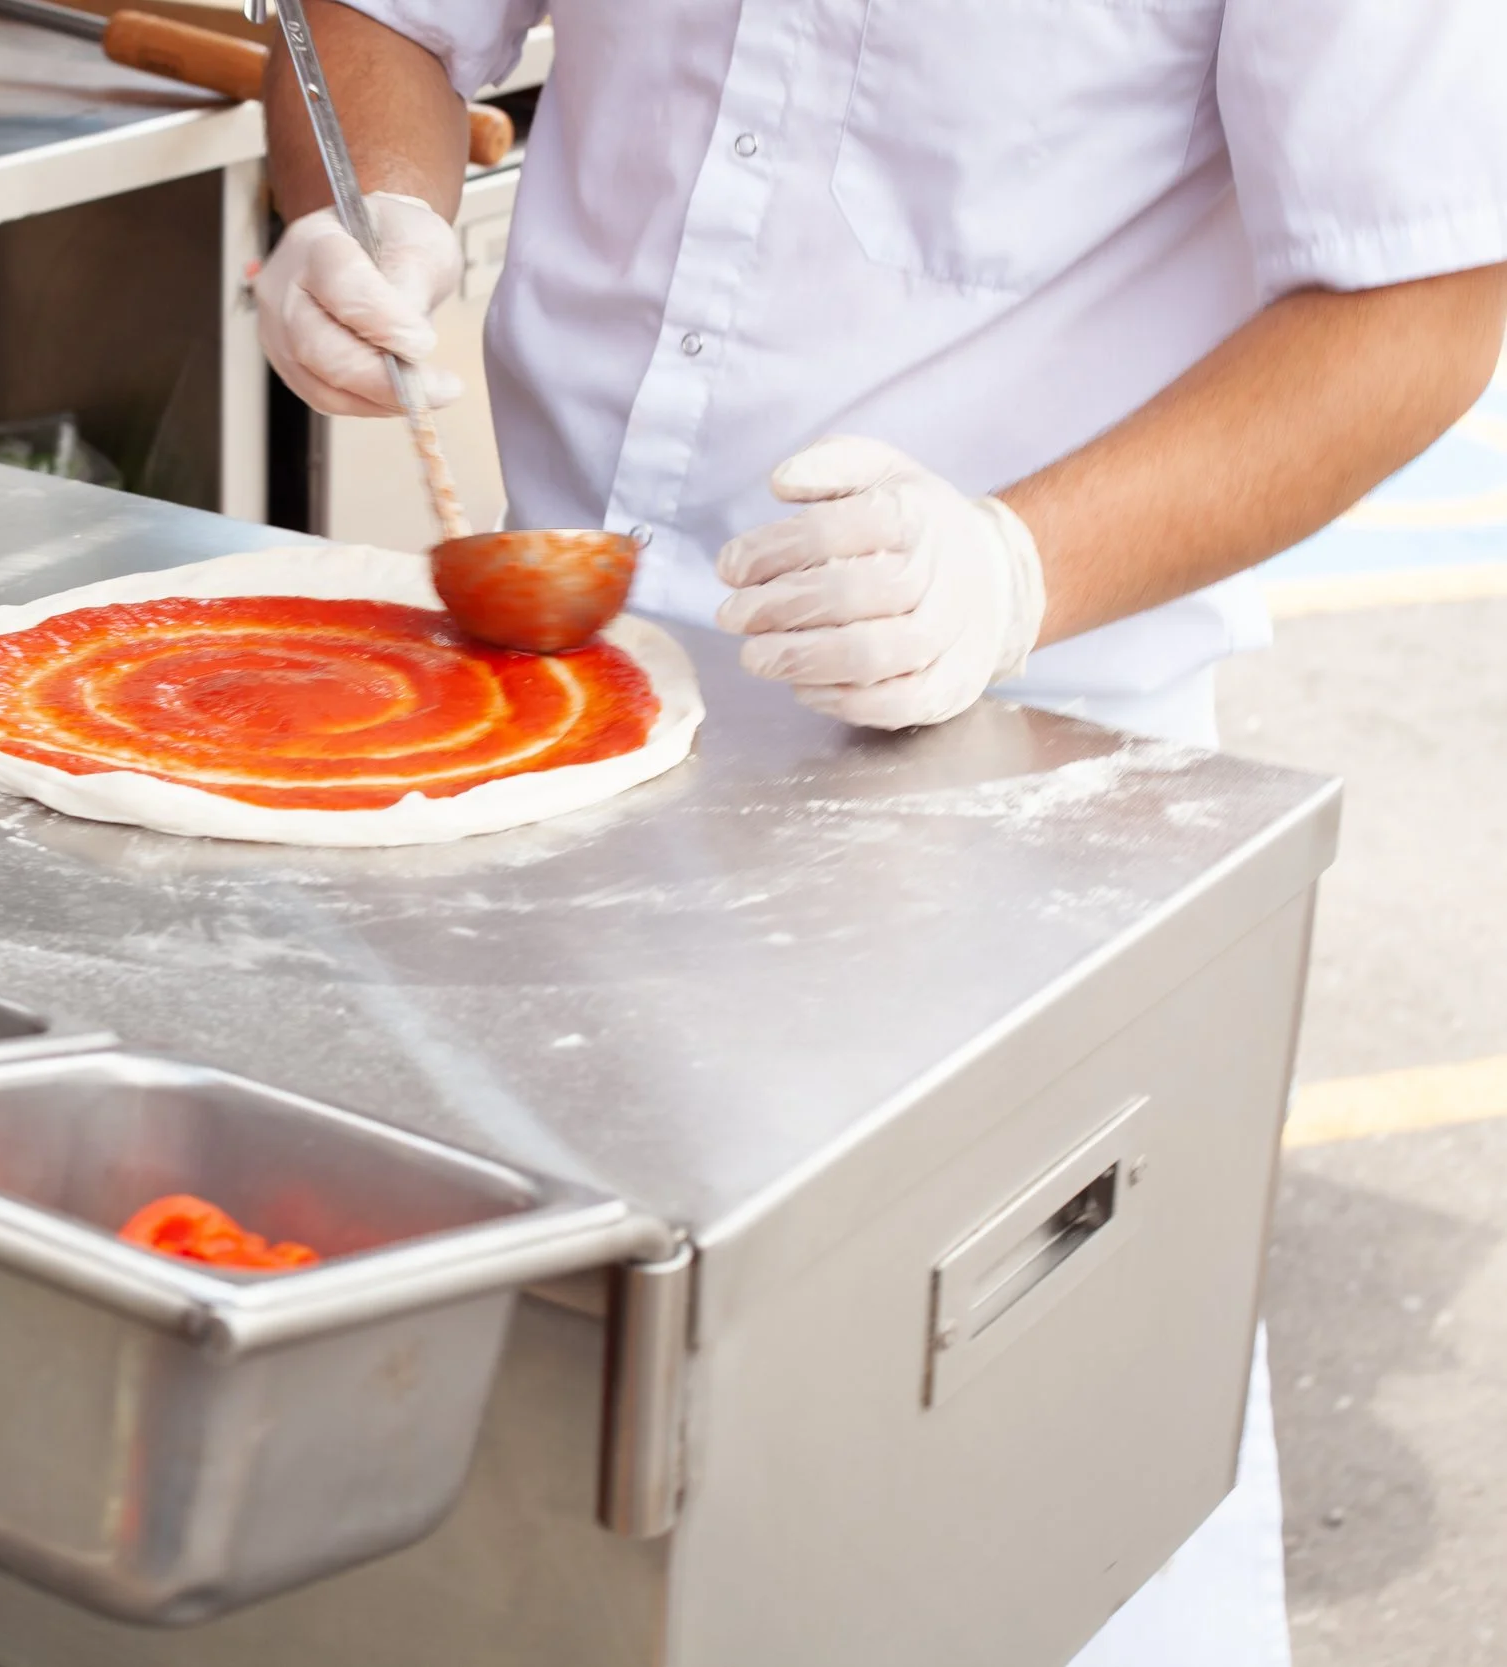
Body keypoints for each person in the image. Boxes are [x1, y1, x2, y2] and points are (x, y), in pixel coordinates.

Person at [253, 3, 1507, 1662]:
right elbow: (376, 20)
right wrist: (370, 211)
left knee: (981, 1538)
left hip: (1011, 795)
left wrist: (1015, 568)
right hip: (551, 727)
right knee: (505, 1516)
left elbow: (1423, 286)